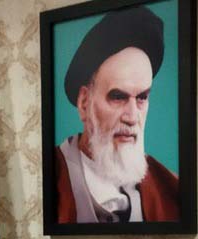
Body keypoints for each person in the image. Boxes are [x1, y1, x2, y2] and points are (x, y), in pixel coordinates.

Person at [56, 6, 179, 224]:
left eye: (142, 97)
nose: (132, 117)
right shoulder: (49, 177)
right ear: (84, 103)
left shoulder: (172, 190)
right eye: (118, 97)